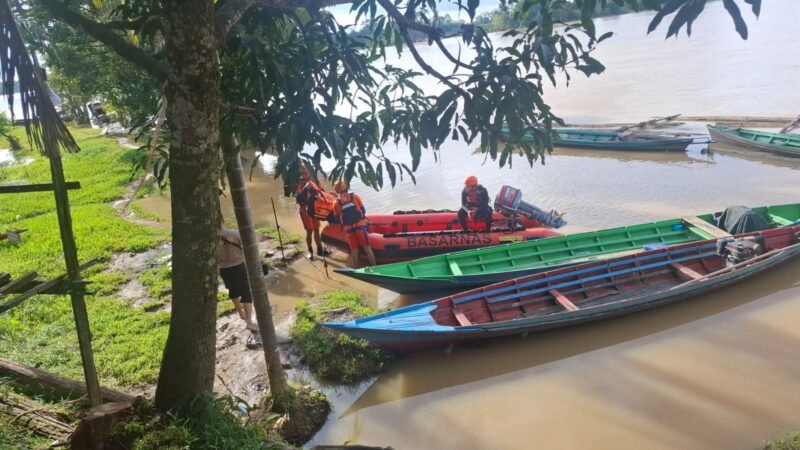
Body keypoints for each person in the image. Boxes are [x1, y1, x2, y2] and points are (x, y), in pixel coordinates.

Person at [218, 218, 258, 333]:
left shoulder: (210, 239)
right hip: (239, 266)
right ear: (222, 221)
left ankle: (241, 313)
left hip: (224, 269)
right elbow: (247, 246)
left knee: (233, 290)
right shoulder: (234, 233)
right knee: (246, 292)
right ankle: (249, 322)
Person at [333, 180, 377, 267]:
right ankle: (375, 267)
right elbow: (363, 210)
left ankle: (357, 269)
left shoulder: (336, 203)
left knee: (354, 250)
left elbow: (337, 219)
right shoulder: (355, 197)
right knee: (367, 248)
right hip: (359, 226)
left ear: (336, 190)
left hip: (348, 229)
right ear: (346, 187)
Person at [295, 164, 332, 260]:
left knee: (316, 229)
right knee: (309, 231)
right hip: (305, 210)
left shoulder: (315, 181)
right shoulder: (299, 183)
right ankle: (310, 251)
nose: (305, 174)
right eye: (303, 172)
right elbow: (298, 198)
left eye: (306, 171)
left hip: (315, 209)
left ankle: (320, 250)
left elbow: (323, 192)